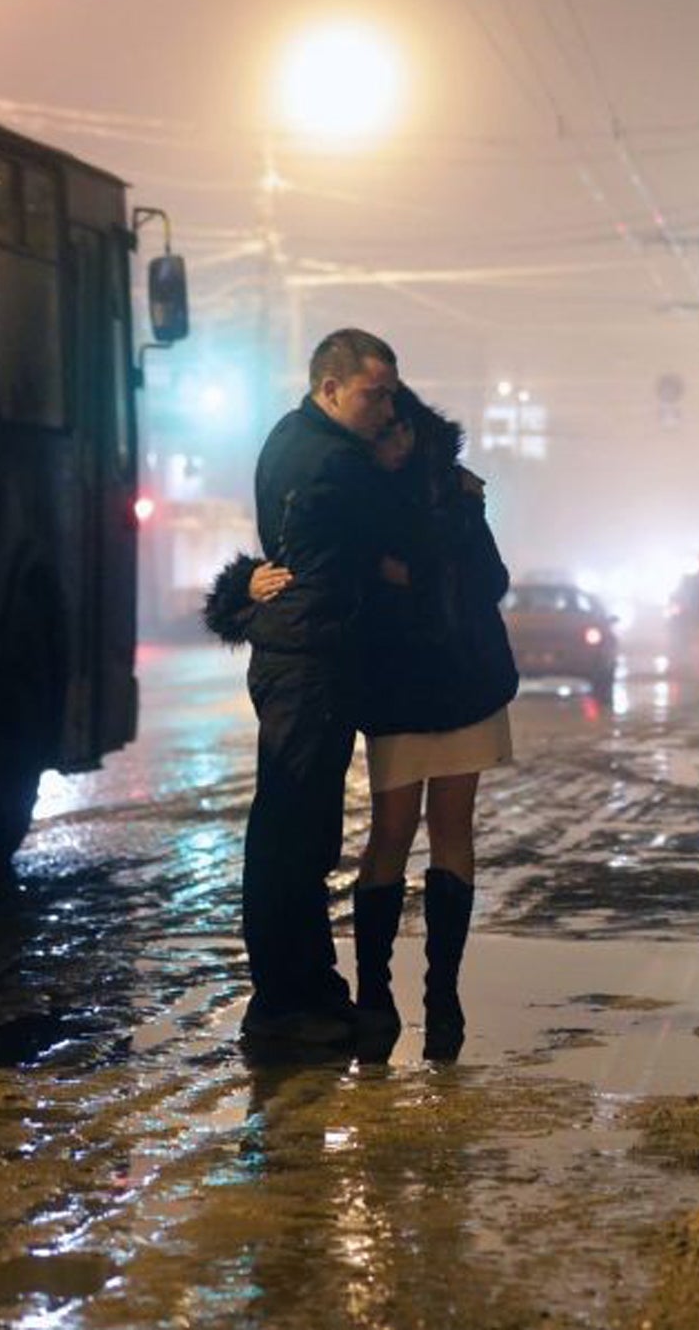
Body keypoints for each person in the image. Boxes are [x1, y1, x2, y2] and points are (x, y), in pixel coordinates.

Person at [216, 387, 517, 1060]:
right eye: (386, 435)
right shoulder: (365, 498)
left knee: (452, 832)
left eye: (404, 433)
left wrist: (427, 569)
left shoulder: (456, 494)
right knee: (389, 833)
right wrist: (249, 584)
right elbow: (315, 563)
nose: (396, 445)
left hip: (463, 682)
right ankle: (374, 992)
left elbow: (490, 579)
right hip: (398, 692)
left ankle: (444, 994)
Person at [232, 327, 401, 1047]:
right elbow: (383, 553)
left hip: (289, 654)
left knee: (290, 829)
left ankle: (302, 986)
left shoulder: (287, 437)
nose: (387, 409)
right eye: (375, 394)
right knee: (295, 836)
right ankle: (285, 1000)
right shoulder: (339, 462)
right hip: (311, 661)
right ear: (331, 389)